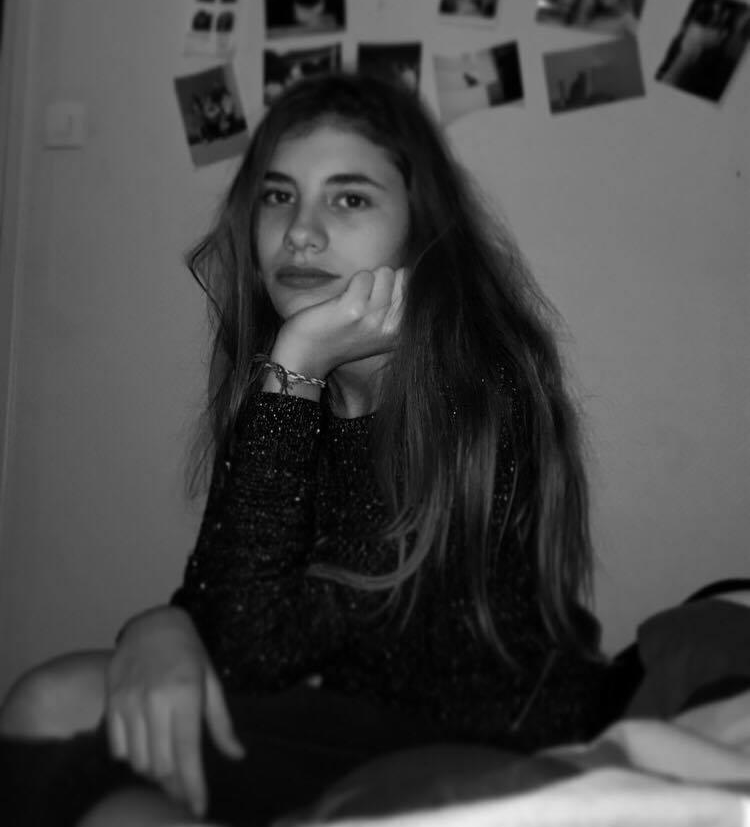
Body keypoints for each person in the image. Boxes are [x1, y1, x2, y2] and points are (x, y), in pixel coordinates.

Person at [0, 71, 617, 827]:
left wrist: (294, 365)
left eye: (349, 199)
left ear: (421, 229)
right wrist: (159, 627)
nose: (300, 230)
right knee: (67, 732)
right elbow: (226, 589)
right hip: (352, 713)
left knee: (70, 740)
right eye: (278, 195)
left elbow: (255, 644)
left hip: (476, 740)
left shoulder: (481, 394)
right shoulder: (295, 390)